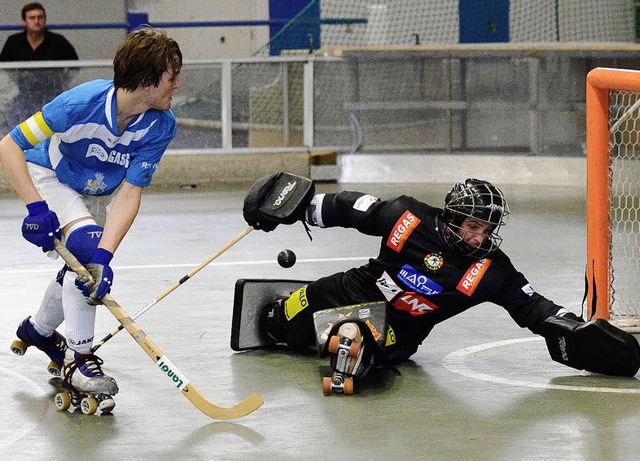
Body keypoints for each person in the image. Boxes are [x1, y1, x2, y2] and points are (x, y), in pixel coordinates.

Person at [242, 176, 590, 389]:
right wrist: (299, 208)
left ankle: (355, 348)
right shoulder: (406, 216)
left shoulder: (491, 270)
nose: (477, 238)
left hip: (400, 328)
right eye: (472, 227)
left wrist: (575, 329)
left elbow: (532, 305)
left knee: (365, 346)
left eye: (486, 231)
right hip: (354, 288)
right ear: (451, 215)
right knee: (279, 321)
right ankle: (296, 323)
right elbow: (350, 207)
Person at [0, 26, 182, 405]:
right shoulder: (80, 103)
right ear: (147, 80)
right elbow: (9, 146)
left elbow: (131, 191)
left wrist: (105, 257)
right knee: (83, 247)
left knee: (86, 262)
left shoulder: (161, 125)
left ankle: (38, 330)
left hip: (97, 191)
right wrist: (36, 208)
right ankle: (79, 360)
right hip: (50, 174)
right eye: (171, 76)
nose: (177, 85)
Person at [0, 3, 79, 132]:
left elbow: (74, 67)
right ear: (24, 21)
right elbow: (4, 69)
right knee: (11, 123)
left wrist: (62, 81)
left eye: (40, 17)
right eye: (32, 18)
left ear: (45, 19)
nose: (37, 21)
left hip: (53, 96)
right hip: (23, 97)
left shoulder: (58, 41)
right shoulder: (14, 42)